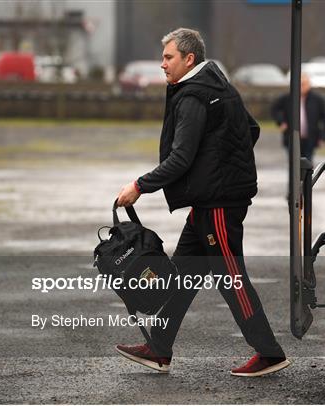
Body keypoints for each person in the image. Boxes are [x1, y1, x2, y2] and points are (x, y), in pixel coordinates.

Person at [115, 28, 289, 377]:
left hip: (219, 205)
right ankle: (159, 348)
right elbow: (249, 130)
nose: (162, 64)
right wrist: (216, 166)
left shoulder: (194, 96)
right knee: (182, 276)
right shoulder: (218, 84)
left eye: (168, 57)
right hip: (209, 201)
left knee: (231, 277)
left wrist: (139, 185)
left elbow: (180, 158)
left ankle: (269, 353)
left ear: (188, 59)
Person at [271, 73, 325, 162]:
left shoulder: (317, 99)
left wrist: (322, 137)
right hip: (291, 138)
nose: (302, 86)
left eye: (304, 84)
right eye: (300, 84)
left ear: (309, 84)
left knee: (308, 164)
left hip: (310, 138)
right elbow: (275, 109)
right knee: (293, 164)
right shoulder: (287, 98)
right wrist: (281, 122)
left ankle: (306, 176)